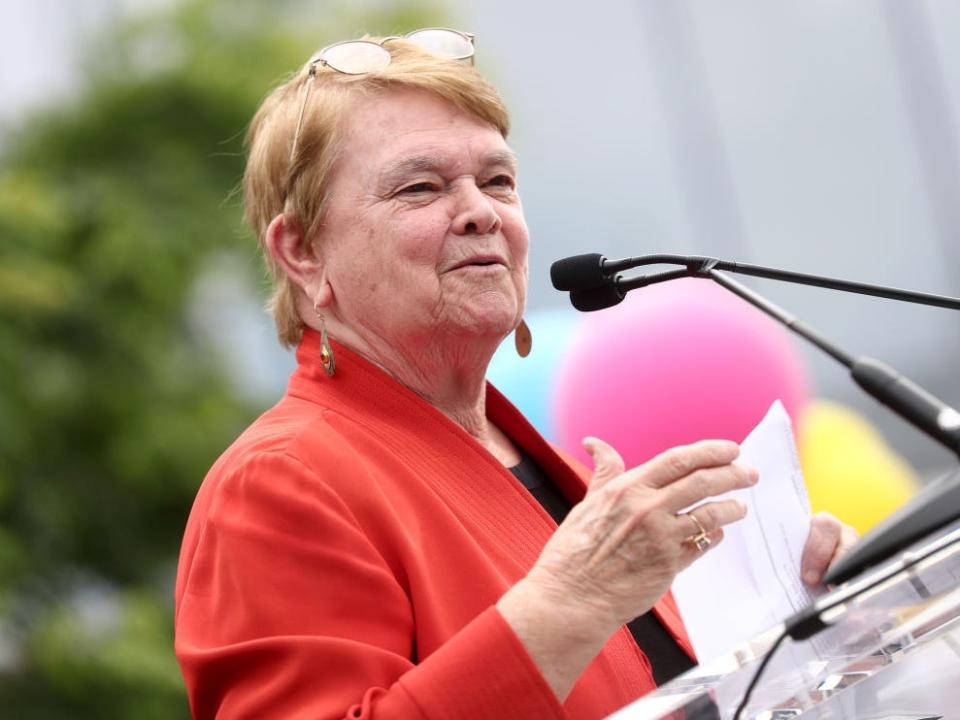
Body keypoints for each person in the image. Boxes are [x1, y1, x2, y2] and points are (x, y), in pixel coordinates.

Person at [174, 29, 857, 719]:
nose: (480, 212)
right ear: (302, 251)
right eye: (421, 187)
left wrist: (811, 617)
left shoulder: (551, 467)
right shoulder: (278, 485)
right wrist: (574, 603)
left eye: (498, 180)